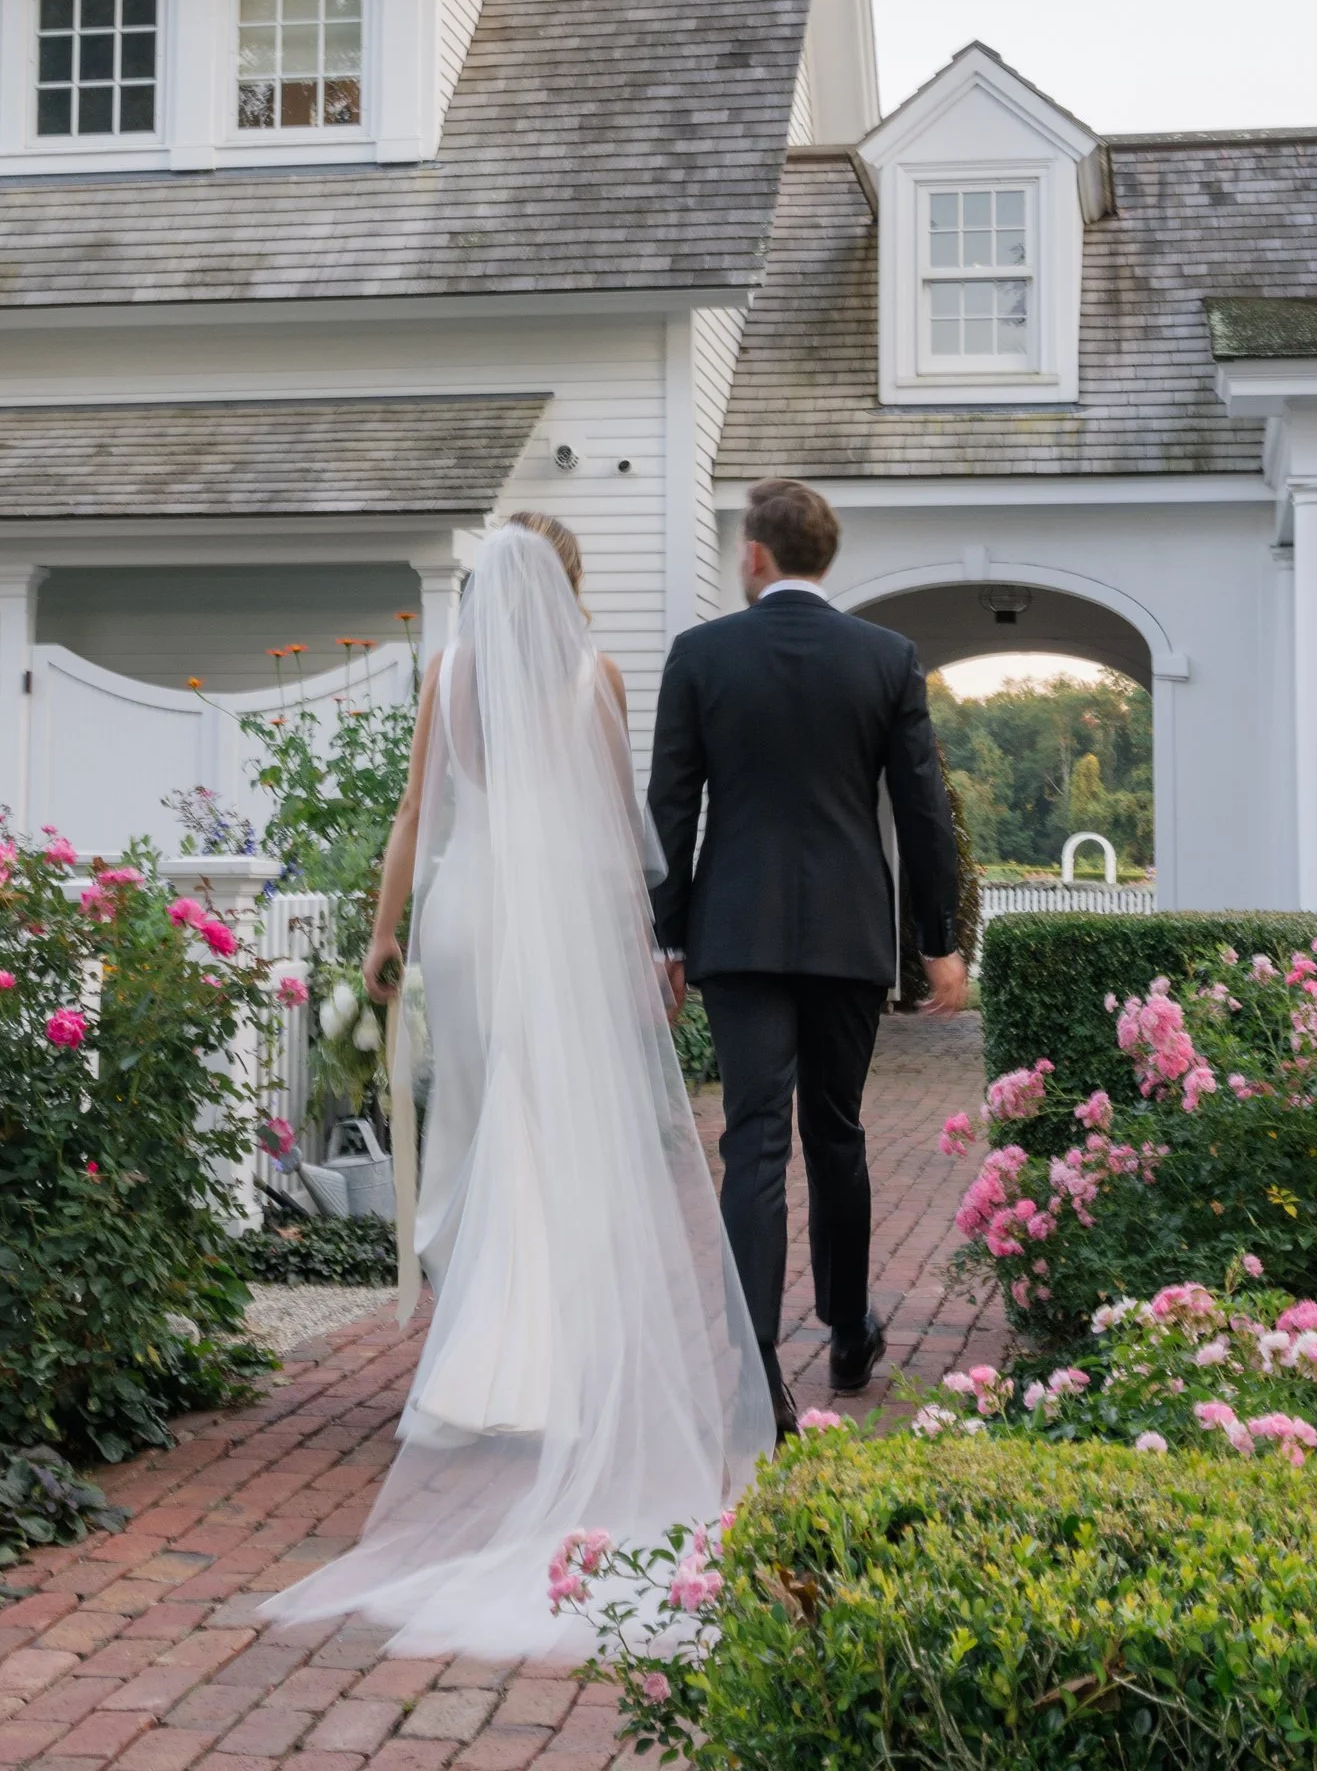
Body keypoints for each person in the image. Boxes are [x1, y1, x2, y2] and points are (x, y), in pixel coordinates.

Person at [263, 511, 772, 1658]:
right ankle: (547, 1362)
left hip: (463, 909)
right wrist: (643, 945)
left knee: (485, 1126)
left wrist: (381, 939)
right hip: (551, 912)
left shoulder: (448, 671)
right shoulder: (593, 674)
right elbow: (615, 829)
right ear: (568, 583)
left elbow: (411, 817)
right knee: (558, 1133)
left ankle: (479, 1361)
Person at [646, 476, 969, 1439]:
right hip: (848, 937)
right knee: (837, 1133)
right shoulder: (885, 659)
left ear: (756, 553)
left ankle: (755, 1378)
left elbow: (672, 806)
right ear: (824, 556)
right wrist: (941, 943)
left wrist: (666, 935)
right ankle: (847, 1331)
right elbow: (923, 812)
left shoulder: (701, 654)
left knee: (755, 1141)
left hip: (736, 934)